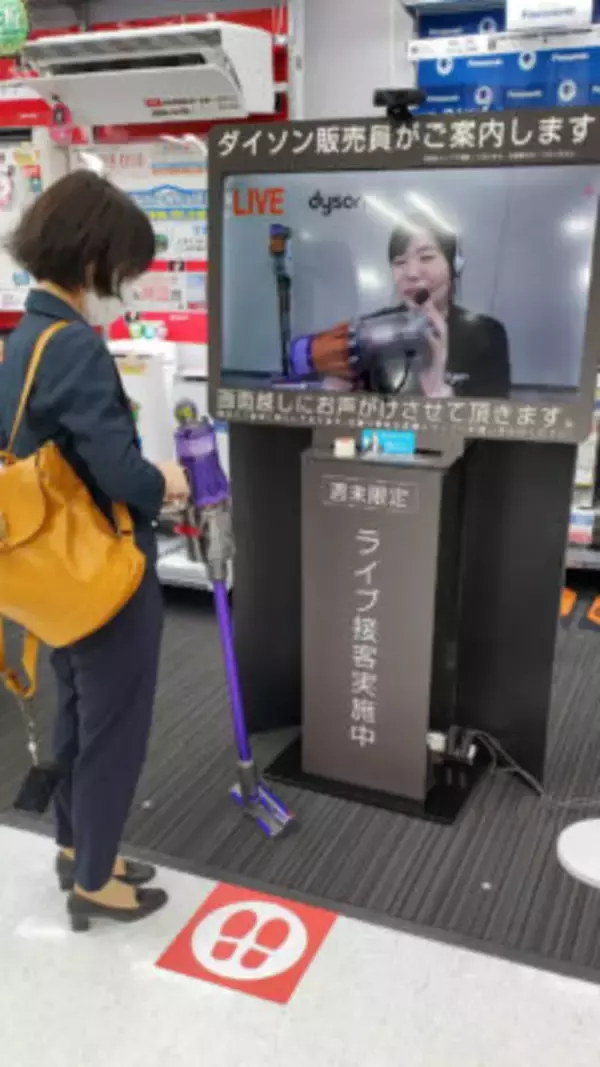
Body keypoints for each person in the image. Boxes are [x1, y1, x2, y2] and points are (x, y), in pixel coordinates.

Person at [0, 170, 189, 929]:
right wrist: (165, 480)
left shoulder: (24, 337)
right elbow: (118, 470)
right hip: (105, 571)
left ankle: (77, 847)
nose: (125, 284)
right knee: (115, 728)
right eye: (124, 267)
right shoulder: (75, 345)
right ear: (93, 258)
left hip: (50, 570)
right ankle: (96, 880)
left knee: (79, 711)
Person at [388, 214, 511, 398]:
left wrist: (440, 390)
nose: (412, 273)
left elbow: (494, 412)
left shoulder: (487, 335)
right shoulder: (369, 332)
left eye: (426, 258)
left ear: (454, 266)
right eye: (400, 262)